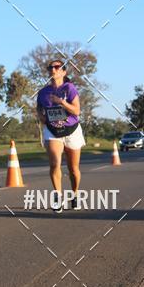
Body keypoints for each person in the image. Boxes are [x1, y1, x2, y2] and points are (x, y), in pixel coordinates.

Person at [36, 59, 85, 213]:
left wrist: (61, 103)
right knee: (54, 164)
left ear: (63, 71)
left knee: (73, 169)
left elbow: (77, 111)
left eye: (57, 67)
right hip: (53, 131)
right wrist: (42, 118)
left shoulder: (69, 88)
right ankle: (58, 196)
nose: (53, 69)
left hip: (72, 130)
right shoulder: (43, 92)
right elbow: (39, 109)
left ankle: (75, 195)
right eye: (50, 67)